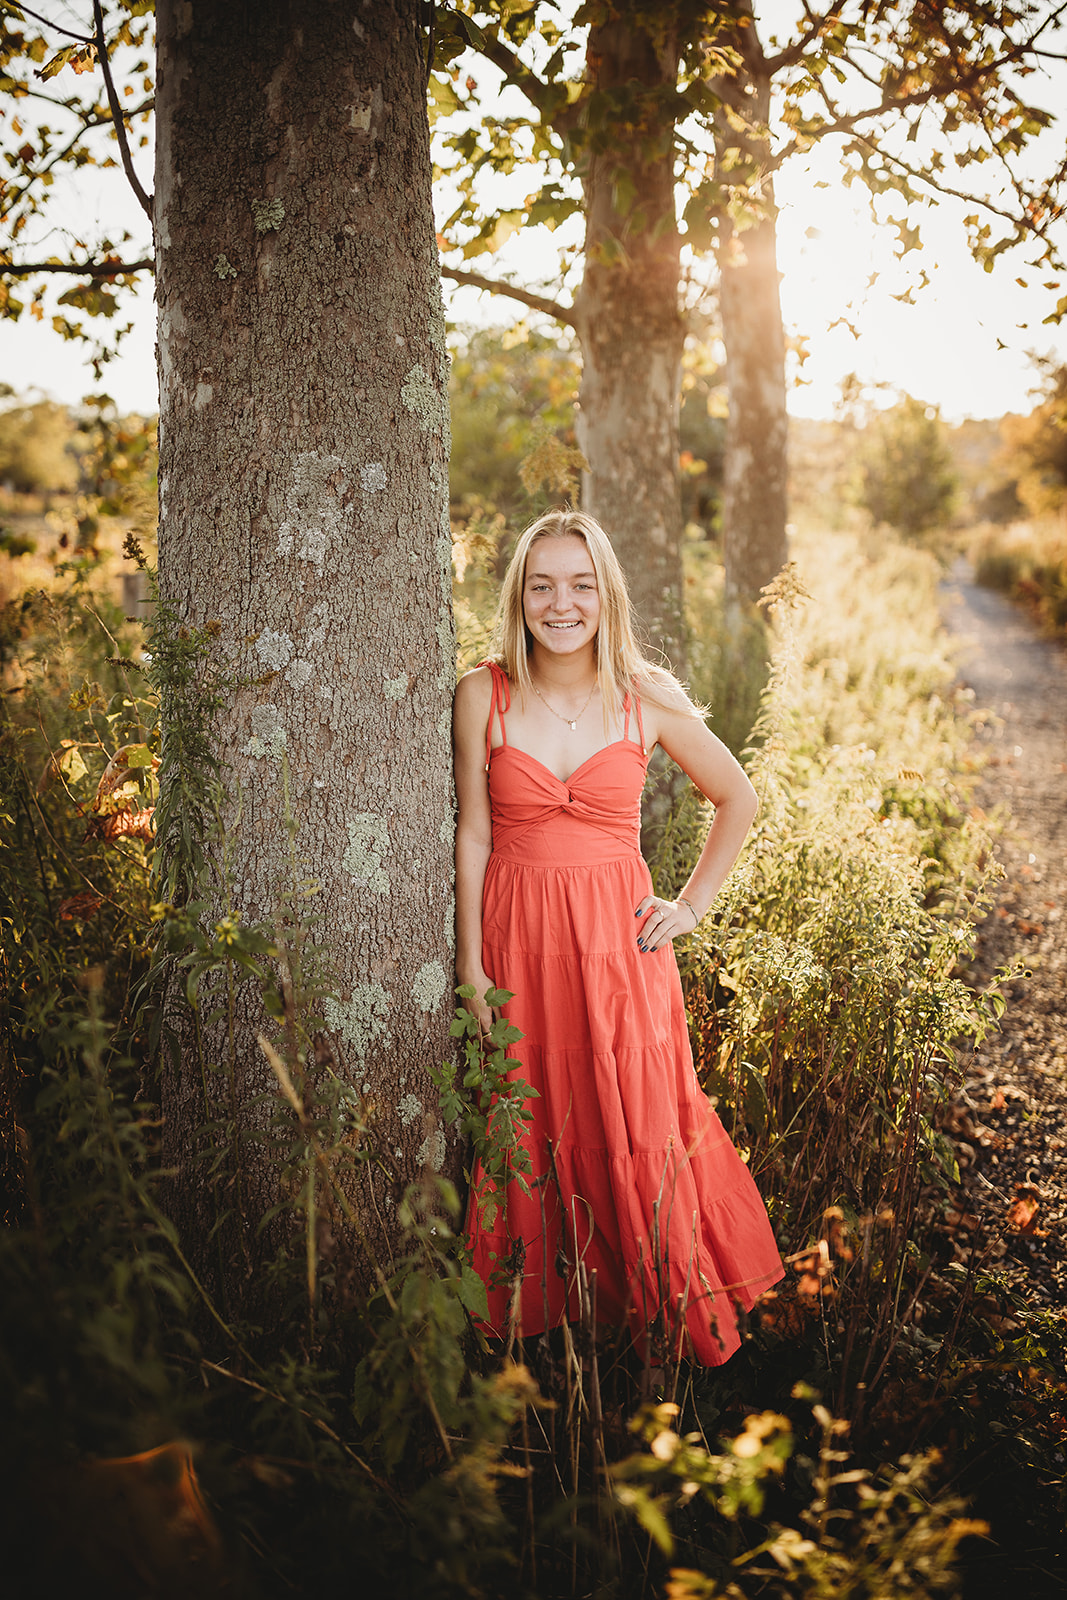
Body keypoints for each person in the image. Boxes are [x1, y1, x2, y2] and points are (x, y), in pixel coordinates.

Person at [452, 509, 782, 1364]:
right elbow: (475, 834)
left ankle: (637, 1314)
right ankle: (544, 1316)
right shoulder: (481, 693)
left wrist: (692, 905)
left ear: (606, 594)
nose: (560, 604)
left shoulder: (645, 697)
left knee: (630, 1116)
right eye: (541, 585)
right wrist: (469, 964)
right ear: (518, 595)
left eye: (579, 584)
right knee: (532, 1117)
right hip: (518, 943)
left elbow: (736, 797)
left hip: (619, 950)